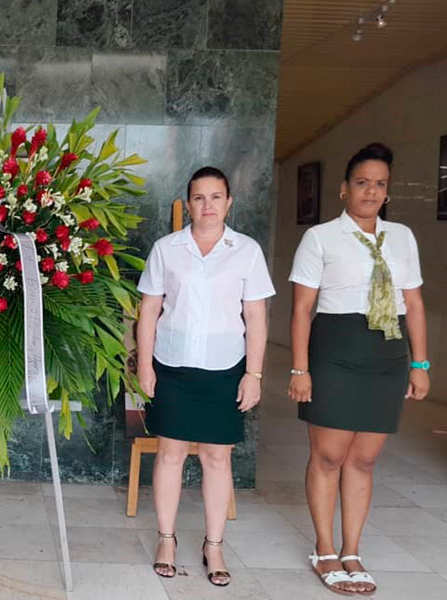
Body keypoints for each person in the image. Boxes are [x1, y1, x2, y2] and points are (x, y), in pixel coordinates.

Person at [288, 143, 429, 595]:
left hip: (386, 355)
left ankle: (353, 550)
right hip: (334, 352)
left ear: (387, 192)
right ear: (344, 189)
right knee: (329, 456)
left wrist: (420, 363)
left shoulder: (403, 237)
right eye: (363, 183)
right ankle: (325, 548)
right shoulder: (321, 238)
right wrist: (298, 369)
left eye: (380, 184)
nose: (371, 191)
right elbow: (302, 309)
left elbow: (413, 303)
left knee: (364, 459)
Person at [136, 166, 275, 587]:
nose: (208, 205)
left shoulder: (246, 250)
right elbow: (148, 310)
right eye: (199, 197)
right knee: (170, 454)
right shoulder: (167, 248)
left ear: (229, 202)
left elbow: (255, 315)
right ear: (188, 203)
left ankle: (213, 545)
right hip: (173, 365)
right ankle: (166, 539)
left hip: (225, 368)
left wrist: (254, 373)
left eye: (216, 197)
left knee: (218, 458)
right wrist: (145, 365)